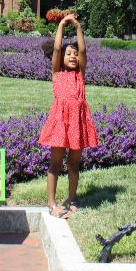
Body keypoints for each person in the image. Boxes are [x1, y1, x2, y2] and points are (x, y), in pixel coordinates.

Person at [39, 14, 98, 219]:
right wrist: (62, 25)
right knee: (55, 163)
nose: (73, 56)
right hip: (60, 122)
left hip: (77, 122)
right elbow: (56, 49)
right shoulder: (57, 74)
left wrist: (78, 26)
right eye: (69, 54)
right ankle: (52, 203)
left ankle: (72, 199)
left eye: (74, 54)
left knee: (73, 164)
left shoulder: (80, 75)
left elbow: (83, 50)